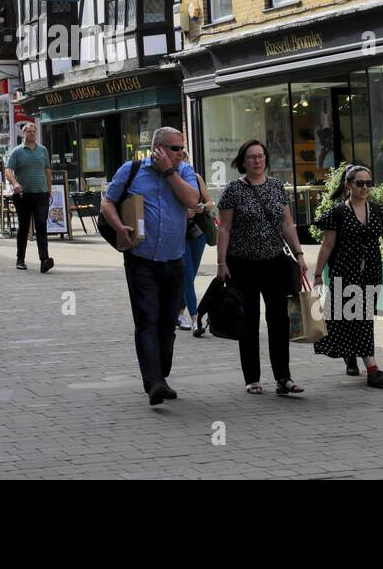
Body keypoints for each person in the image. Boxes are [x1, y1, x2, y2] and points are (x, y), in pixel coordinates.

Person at [101, 127, 200, 406]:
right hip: (140, 259)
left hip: (174, 259)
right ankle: (154, 383)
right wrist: (120, 227)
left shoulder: (184, 172)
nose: (181, 153)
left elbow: (192, 200)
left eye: (182, 148)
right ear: (157, 149)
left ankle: (160, 373)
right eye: (175, 148)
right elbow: (108, 202)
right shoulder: (131, 170)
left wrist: (170, 172)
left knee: (167, 323)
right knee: (147, 319)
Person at [216, 139, 308, 398]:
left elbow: (287, 224)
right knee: (248, 320)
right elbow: (224, 228)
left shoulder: (277, 186)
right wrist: (221, 263)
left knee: (279, 319)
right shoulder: (233, 189)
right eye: (251, 157)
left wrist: (299, 254)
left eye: (260, 156)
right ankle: (252, 378)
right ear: (242, 161)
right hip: (241, 264)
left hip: (274, 262)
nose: (257, 161)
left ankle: (283, 377)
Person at [312, 163, 383, 387]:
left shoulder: (377, 210)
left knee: (361, 317)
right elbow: (327, 246)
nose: (365, 187)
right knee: (357, 318)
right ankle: (372, 369)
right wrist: (318, 274)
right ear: (348, 185)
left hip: (371, 273)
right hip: (344, 273)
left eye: (368, 183)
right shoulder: (337, 213)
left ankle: (353, 355)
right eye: (360, 183)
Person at [4, 122, 54, 272]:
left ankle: (44, 259)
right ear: (23, 134)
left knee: (41, 225)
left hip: (41, 195)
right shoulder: (17, 152)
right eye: (29, 132)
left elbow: (47, 171)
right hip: (23, 195)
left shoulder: (43, 150)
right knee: (24, 227)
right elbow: (8, 171)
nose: (32, 134)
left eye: (34, 131)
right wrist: (15, 184)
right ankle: (20, 259)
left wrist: (49, 191)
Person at [178, 148, 214, 333]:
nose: (184, 165)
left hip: (198, 232)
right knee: (187, 275)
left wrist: (201, 206)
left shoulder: (196, 178)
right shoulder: (171, 180)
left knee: (189, 276)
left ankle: (178, 311)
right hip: (178, 233)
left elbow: (210, 201)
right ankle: (195, 319)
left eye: (185, 161)